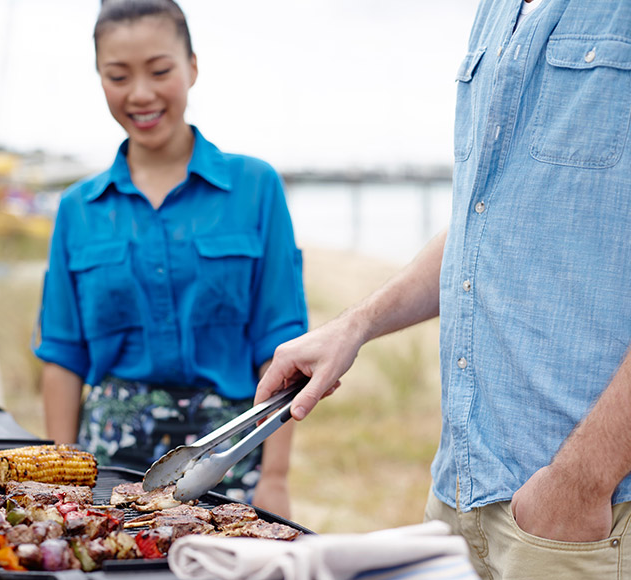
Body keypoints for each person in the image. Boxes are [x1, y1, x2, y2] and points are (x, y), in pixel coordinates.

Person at [256, 0, 631, 577]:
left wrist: (581, 483)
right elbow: (484, 223)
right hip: (458, 496)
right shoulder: (495, 9)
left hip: (580, 516)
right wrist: (356, 325)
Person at [33, 0, 307, 518]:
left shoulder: (256, 187)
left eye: (159, 71)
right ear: (99, 77)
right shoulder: (76, 209)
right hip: (107, 465)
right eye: (118, 76)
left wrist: (275, 477)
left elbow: (279, 345)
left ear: (192, 67)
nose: (140, 94)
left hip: (228, 457)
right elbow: (63, 359)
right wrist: (62, 484)